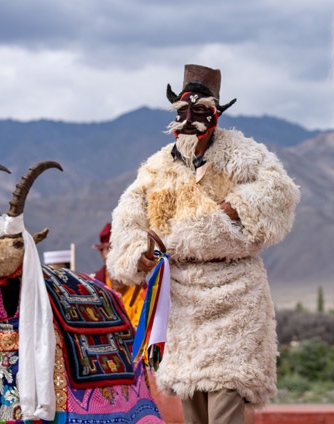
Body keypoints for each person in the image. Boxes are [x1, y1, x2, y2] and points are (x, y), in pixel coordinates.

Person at [107, 63, 299, 424]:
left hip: (235, 295)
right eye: (184, 110)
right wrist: (138, 254)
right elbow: (128, 218)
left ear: (215, 113)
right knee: (193, 405)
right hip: (180, 300)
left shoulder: (245, 154)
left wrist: (239, 206)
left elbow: (280, 191)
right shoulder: (155, 168)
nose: (190, 118)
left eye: (200, 111)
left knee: (225, 398)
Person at [92, 222, 145, 326]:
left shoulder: (141, 288)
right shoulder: (93, 284)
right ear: (101, 251)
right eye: (108, 248)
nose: (112, 253)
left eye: (115, 248)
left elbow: (140, 327)